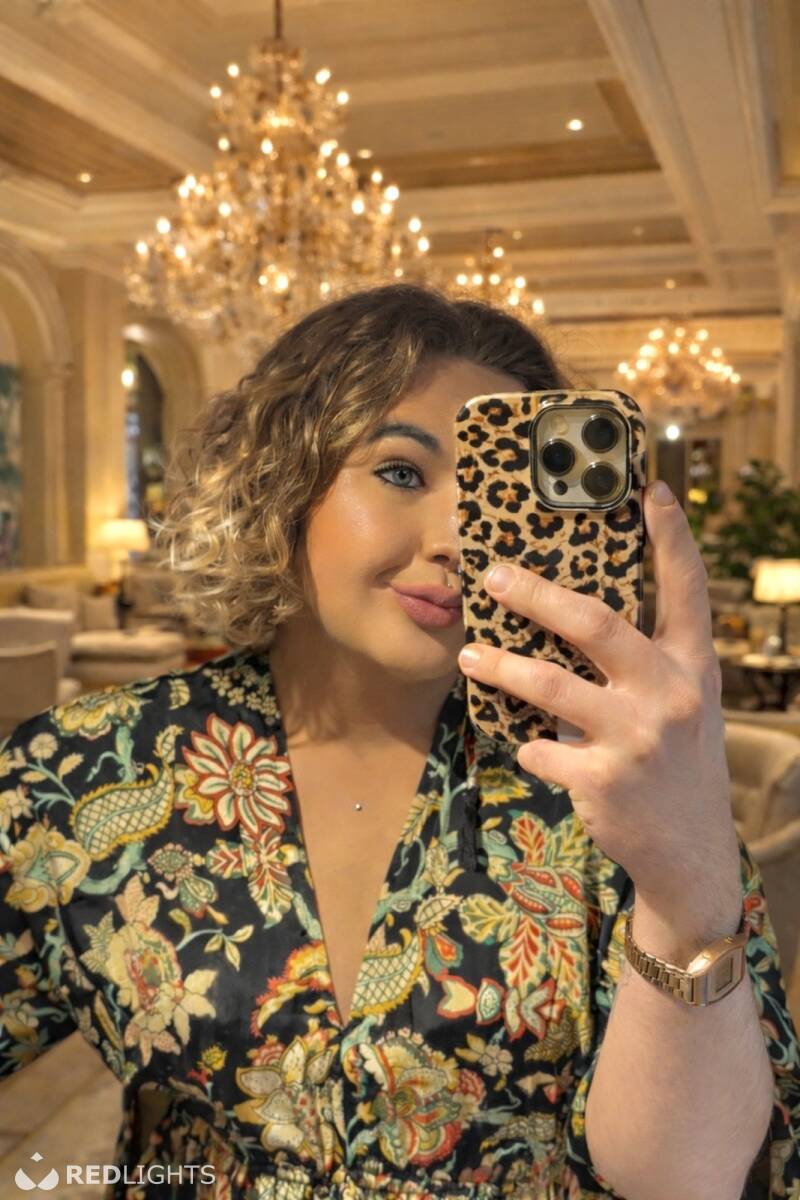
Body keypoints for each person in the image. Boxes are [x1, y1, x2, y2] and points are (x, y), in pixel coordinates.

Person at [0, 282, 798, 1199]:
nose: (459, 538)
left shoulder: (608, 784)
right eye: (402, 473)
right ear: (282, 481)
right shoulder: (88, 771)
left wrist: (687, 881)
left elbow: (688, 1178)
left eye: (498, 496)